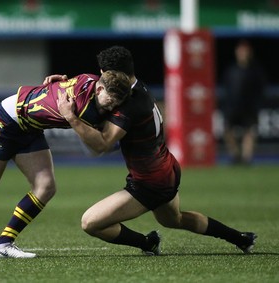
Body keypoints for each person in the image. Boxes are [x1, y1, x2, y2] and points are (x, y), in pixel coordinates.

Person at [53, 45, 257, 255]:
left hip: (150, 182)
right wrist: (66, 86)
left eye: (103, 73)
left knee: (90, 222)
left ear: (114, 73)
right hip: (166, 168)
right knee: (174, 219)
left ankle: (147, 242)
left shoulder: (128, 104)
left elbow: (103, 144)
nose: (100, 78)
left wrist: (70, 117)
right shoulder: (137, 87)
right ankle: (240, 238)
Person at [0, 71, 131, 258]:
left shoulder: (90, 79)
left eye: (116, 103)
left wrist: (59, 81)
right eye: (111, 100)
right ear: (100, 88)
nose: (113, 107)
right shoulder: (85, 110)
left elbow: (70, 83)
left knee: (45, 187)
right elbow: (98, 145)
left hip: (28, 126)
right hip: (3, 122)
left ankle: (3, 244)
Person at [222, 40, 265, 165]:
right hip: (233, 107)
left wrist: (257, 105)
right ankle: (235, 156)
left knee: (250, 131)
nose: (242, 53)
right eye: (240, 51)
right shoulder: (231, 70)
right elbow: (226, 88)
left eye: (245, 51)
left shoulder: (255, 71)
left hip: (250, 107)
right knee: (227, 130)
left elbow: (261, 89)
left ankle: (246, 158)